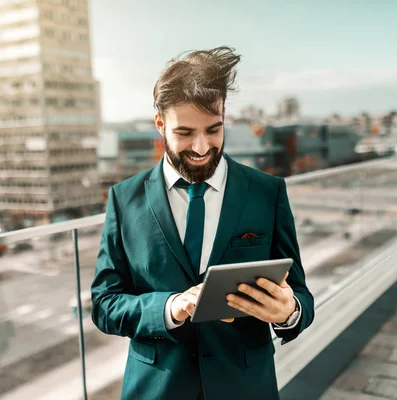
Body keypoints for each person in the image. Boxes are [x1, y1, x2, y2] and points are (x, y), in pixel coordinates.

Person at [91, 46, 314, 400]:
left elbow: (300, 294)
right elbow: (104, 305)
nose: (201, 147)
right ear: (160, 124)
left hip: (244, 388)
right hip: (156, 390)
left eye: (214, 129)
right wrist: (170, 307)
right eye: (184, 133)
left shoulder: (266, 192)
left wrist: (289, 312)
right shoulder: (124, 199)